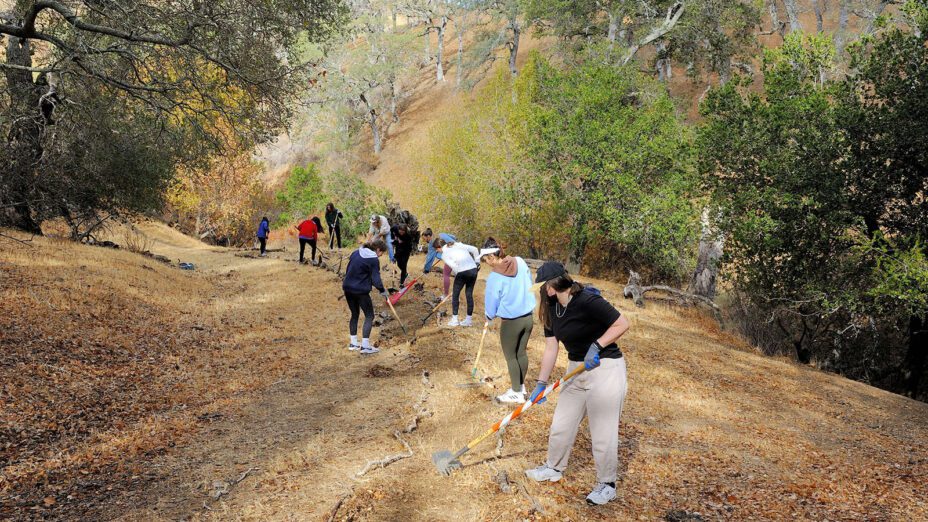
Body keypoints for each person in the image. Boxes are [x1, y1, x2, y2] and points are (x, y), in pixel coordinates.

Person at [523, 261, 631, 506]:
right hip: (576, 369)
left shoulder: (587, 300)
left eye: (544, 286)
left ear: (554, 284)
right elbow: (552, 347)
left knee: (602, 431)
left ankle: (607, 484)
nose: (543, 291)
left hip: (605, 368)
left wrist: (597, 345)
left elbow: (622, 323)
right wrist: (541, 383)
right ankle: (553, 467)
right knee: (562, 423)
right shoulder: (551, 307)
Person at [481, 237, 536, 404]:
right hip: (528, 318)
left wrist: (489, 316)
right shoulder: (520, 261)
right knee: (521, 353)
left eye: (486, 260)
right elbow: (529, 282)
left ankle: (516, 392)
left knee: (511, 356)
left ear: (492, 257)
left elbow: (491, 301)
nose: (486, 263)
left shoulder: (495, 277)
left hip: (511, 322)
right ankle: (520, 386)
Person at [342, 239, 390, 355]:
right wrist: (382, 290)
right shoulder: (373, 259)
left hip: (347, 288)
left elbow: (350, 269)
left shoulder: (356, 252)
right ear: (378, 249)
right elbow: (376, 279)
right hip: (360, 291)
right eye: (381, 253)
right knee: (369, 315)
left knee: (355, 314)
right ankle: (365, 346)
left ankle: (353, 344)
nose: (380, 255)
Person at [432, 237, 480, 327]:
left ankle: (454, 320)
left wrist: (459, 280)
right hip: (473, 269)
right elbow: (475, 249)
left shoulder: (444, 255)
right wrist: (477, 263)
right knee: (469, 294)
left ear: (439, 247)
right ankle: (468, 320)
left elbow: (455, 267)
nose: (437, 252)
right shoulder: (458, 244)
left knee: (455, 295)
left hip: (462, 272)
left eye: (436, 250)